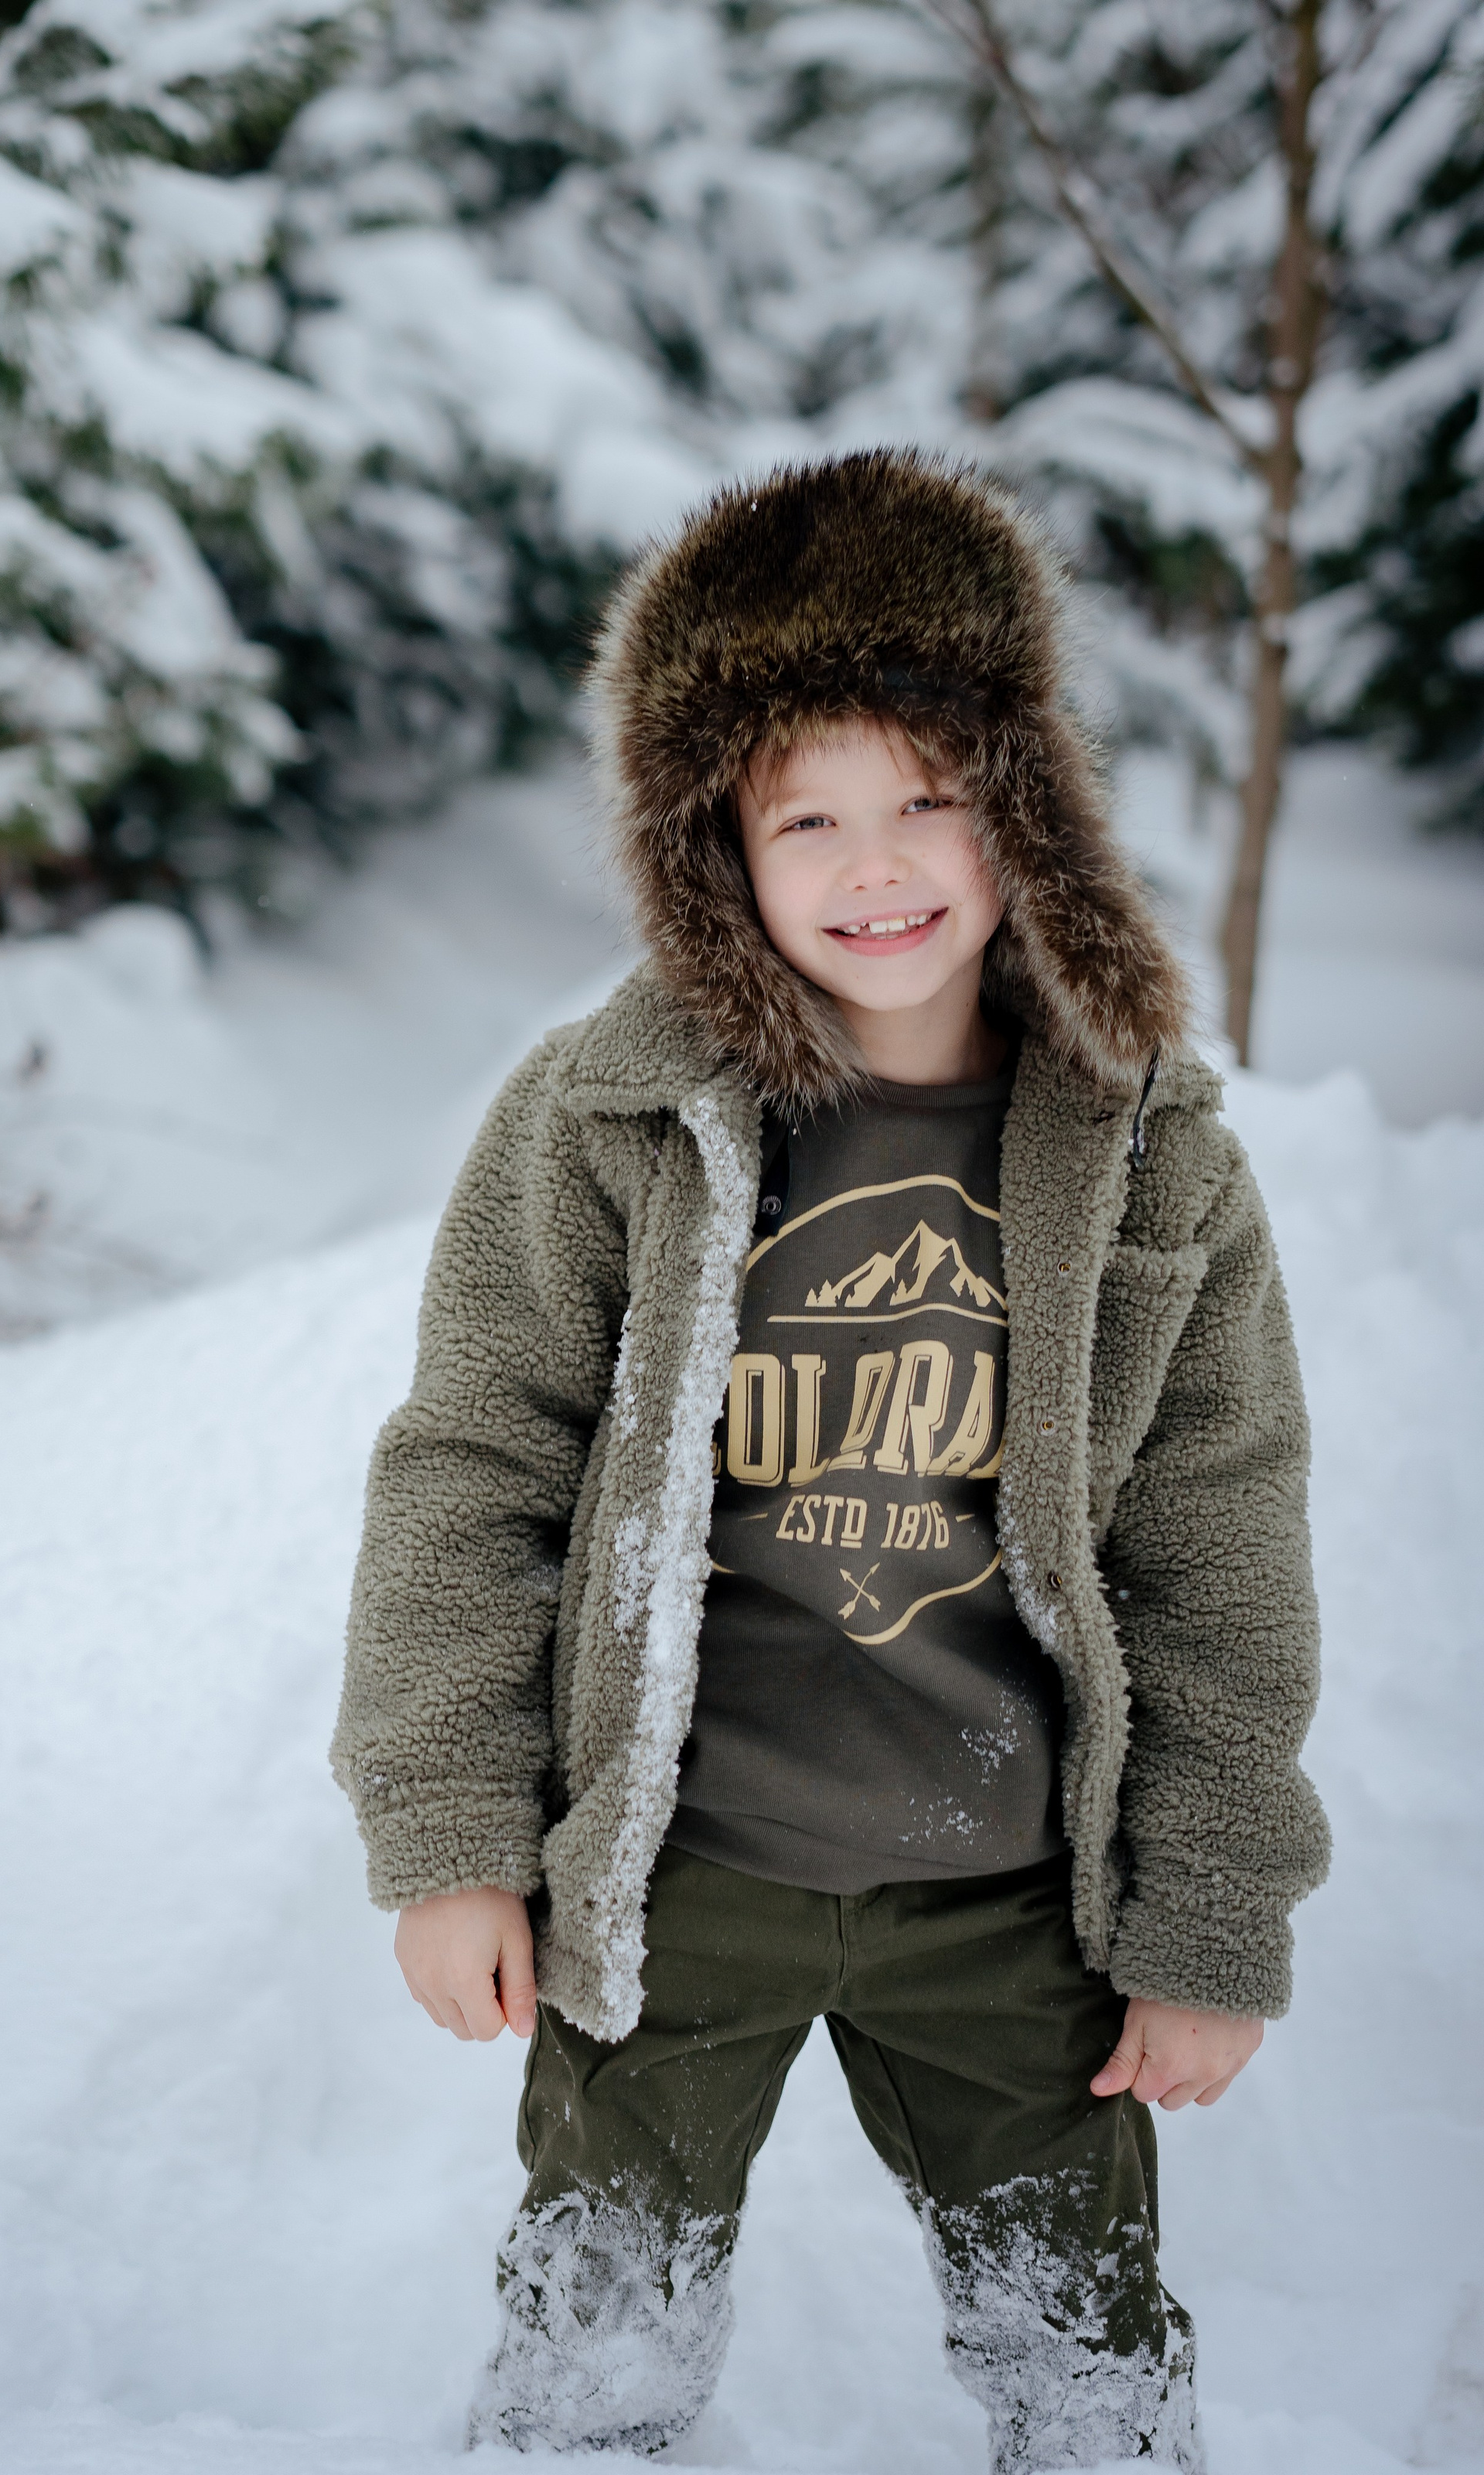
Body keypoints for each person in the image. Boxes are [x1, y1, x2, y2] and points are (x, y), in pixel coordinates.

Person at [330, 450, 1328, 2473]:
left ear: (1022, 801)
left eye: (929, 797)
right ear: (718, 846)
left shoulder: (1146, 1148)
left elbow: (1217, 1538)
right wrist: (447, 1833)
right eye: (808, 818)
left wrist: (1210, 1909)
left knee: (1093, 2374)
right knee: (593, 2359)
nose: (878, 865)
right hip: (678, 1872)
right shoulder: (614, 1115)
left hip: (1014, 1900)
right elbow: (472, 1464)